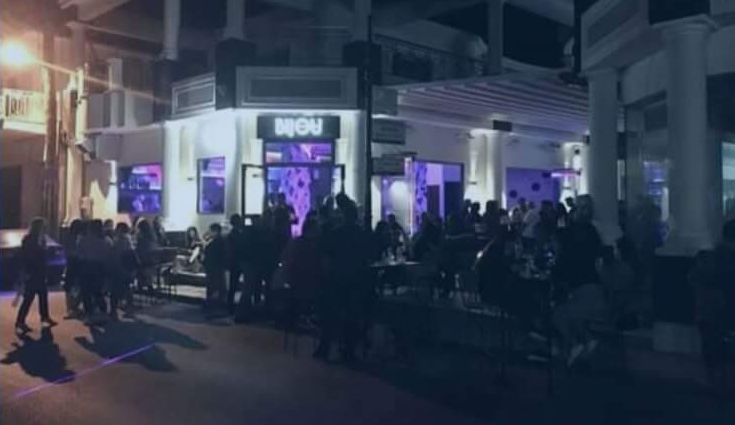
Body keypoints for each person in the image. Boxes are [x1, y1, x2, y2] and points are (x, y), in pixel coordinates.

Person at [552, 194, 606, 366]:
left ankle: (575, 344)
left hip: (582, 286)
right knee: (573, 314)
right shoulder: (592, 231)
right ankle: (581, 344)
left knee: (560, 314)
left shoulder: (570, 233)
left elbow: (562, 258)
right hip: (591, 285)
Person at [317, 200, 373, 361]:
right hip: (355, 278)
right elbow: (368, 257)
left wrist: (327, 275)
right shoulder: (362, 234)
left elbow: (326, 257)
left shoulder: (335, 233)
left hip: (337, 277)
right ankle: (349, 349)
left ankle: (325, 347)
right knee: (352, 315)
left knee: (330, 314)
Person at [15, 218, 57, 333]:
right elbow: (27, 256)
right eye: (43, 227)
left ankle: (44, 317)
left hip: (39, 272)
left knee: (42, 295)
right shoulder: (30, 240)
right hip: (33, 272)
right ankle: (20, 322)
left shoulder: (41, 239)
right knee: (29, 298)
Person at [77, 219, 112, 323]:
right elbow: (109, 255)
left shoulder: (84, 240)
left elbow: (80, 255)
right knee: (98, 291)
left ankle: (89, 314)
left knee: (86, 292)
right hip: (101, 267)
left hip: (87, 266)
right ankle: (103, 312)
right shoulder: (106, 240)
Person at [110, 223, 137, 320]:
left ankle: (113, 312)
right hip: (129, 269)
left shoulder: (118, 241)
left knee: (115, 291)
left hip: (119, 269)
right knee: (128, 289)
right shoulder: (129, 240)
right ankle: (130, 309)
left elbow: (115, 255)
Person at [203, 223, 227, 317]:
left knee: (214, 287)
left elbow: (210, 255)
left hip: (214, 268)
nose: (209, 233)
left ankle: (213, 307)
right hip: (217, 267)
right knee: (218, 287)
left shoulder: (216, 242)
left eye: (210, 231)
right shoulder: (221, 241)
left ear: (215, 231)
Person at [62, 219, 84, 318]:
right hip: (76, 262)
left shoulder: (69, 237)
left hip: (72, 262)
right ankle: (73, 307)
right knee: (75, 286)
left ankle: (72, 307)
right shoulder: (78, 238)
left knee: (71, 286)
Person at [226, 214, 246, 315]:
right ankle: (231, 306)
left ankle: (231, 306)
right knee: (234, 285)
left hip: (236, 262)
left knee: (234, 285)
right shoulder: (234, 235)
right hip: (237, 262)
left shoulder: (234, 234)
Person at [135, 219, 159, 291]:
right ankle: (149, 284)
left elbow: (138, 249)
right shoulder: (153, 237)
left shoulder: (141, 238)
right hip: (153, 259)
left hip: (144, 260)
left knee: (135, 261)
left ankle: (140, 284)